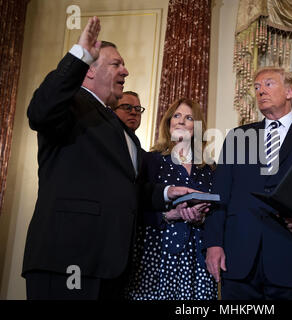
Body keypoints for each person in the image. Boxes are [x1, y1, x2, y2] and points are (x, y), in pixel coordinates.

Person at [23, 17, 196, 300]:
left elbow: (130, 188)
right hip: (69, 257)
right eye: (116, 64)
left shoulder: (123, 131)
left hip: (111, 265)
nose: (125, 70)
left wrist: (167, 192)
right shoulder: (70, 105)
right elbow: (40, 111)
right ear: (89, 71)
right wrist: (78, 56)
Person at [204, 67, 292, 300]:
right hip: (239, 260)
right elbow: (219, 196)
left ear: (289, 91)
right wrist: (213, 244)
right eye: (256, 87)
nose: (260, 91)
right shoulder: (237, 137)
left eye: (268, 84)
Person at [123, 98, 217, 300]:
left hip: (197, 258)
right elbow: (133, 205)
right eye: (177, 116)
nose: (182, 121)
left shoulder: (210, 168)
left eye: (189, 118)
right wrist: (168, 215)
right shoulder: (150, 160)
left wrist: (202, 218)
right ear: (168, 123)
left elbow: (219, 212)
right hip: (156, 255)